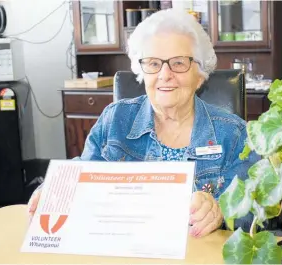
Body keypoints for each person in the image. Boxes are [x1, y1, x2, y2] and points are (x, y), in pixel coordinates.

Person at [28, 8, 260, 238]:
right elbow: (85, 171)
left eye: (179, 63)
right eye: (153, 63)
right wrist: (54, 189)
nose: (165, 74)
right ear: (142, 71)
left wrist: (219, 210)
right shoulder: (115, 119)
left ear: (200, 75)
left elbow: (257, 209)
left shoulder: (233, 133)